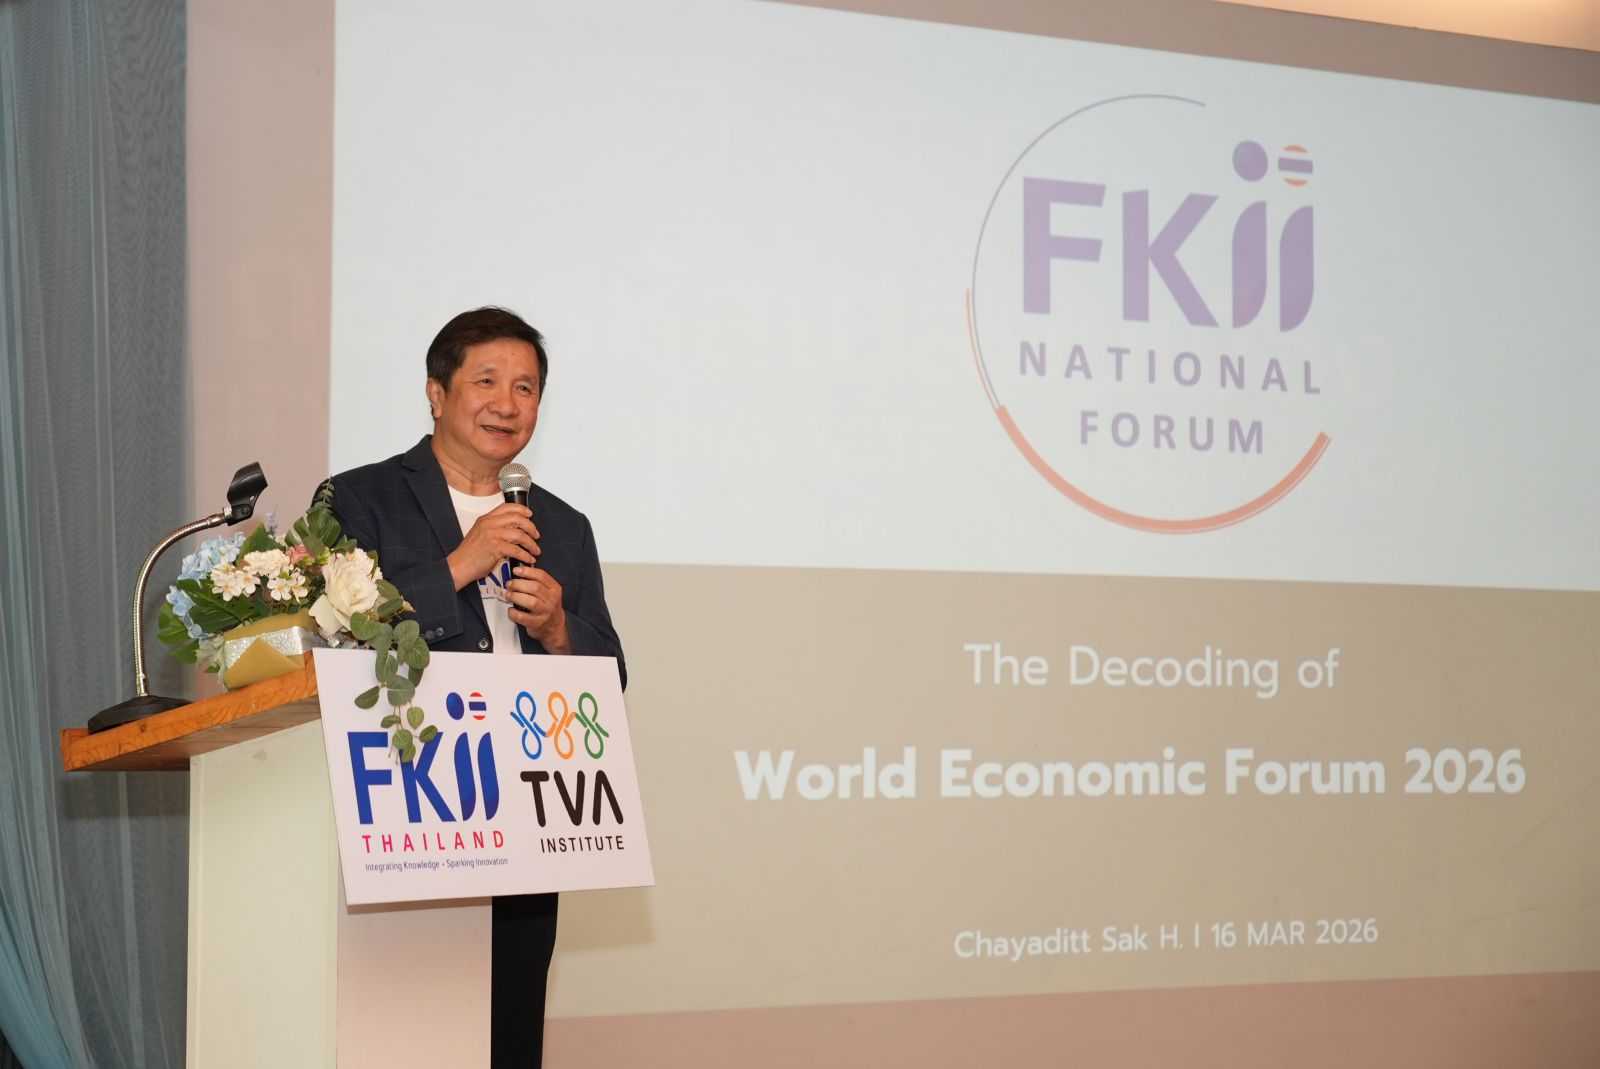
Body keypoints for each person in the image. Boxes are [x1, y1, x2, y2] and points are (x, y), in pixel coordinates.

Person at [326, 306, 625, 1068]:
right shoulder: (358, 499)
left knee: (510, 1030)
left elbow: (610, 677)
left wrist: (559, 629)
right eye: (487, 381)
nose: (507, 403)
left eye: (526, 388)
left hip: (525, 809)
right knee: (403, 1029)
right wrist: (462, 563)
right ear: (437, 393)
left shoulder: (562, 524)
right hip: (410, 804)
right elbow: (336, 633)